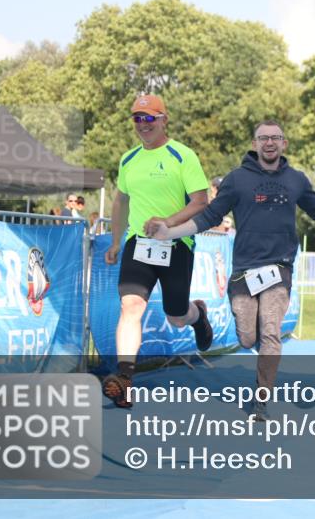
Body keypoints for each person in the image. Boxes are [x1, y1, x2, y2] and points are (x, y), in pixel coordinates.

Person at [150, 119, 315, 421]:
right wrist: (171, 232)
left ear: (284, 144)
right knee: (246, 337)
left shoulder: (296, 179)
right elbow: (209, 216)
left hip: (280, 269)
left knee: (270, 332)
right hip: (244, 271)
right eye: (263, 138)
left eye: (275, 137)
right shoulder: (236, 179)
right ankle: (201, 313)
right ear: (254, 144)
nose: (269, 142)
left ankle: (261, 400)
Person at [101, 94, 212, 409]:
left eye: (149, 118)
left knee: (176, 317)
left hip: (176, 243)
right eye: (137, 118)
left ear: (164, 119)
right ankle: (124, 380)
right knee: (131, 306)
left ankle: (197, 315)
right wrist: (116, 241)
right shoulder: (128, 159)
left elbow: (201, 201)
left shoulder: (183, 155)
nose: (143, 124)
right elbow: (121, 201)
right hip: (139, 244)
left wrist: (168, 222)